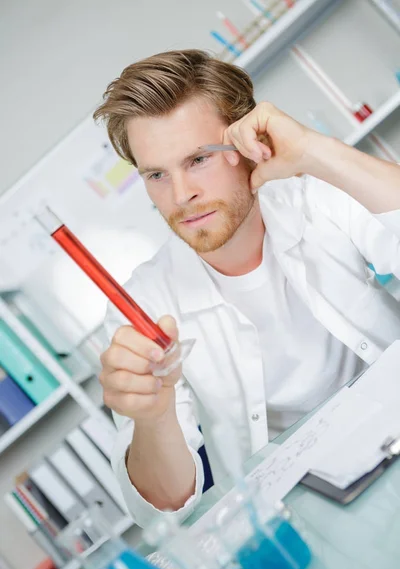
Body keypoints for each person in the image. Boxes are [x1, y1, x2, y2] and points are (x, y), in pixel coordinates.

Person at [94, 49, 400, 528]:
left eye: (197, 159)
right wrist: (152, 418)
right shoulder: (142, 306)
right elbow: (168, 505)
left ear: (248, 139)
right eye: (156, 174)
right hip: (307, 513)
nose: (180, 196)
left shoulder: (316, 196)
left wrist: (317, 151)